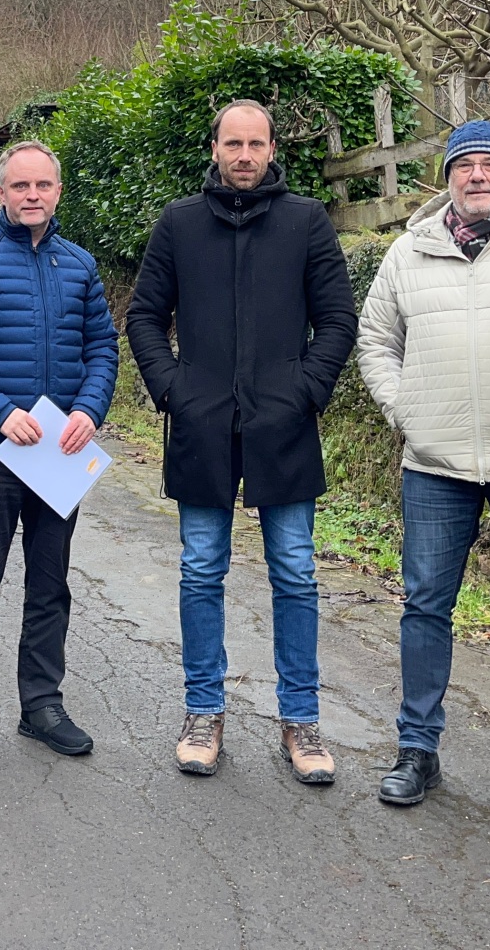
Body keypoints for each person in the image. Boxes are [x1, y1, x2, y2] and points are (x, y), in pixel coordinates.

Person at [126, 100, 357, 783]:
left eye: (257, 143)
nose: (246, 155)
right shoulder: (179, 223)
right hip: (201, 426)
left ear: (272, 147)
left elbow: (338, 319)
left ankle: (302, 722)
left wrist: (304, 390)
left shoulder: (306, 221)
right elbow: (144, 315)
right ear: (216, 147)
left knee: (295, 572)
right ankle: (204, 712)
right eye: (235, 143)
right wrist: (174, 388)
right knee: (201, 570)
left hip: (283, 428)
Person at [355, 120, 490, 824]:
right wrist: (404, 411)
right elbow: (375, 341)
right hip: (435, 462)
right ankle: (416, 750)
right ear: (445, 177)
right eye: (464, 165)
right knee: (425, 607)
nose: (477, 175)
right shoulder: (407, 252)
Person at [0, 140, 119, 772]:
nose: (32, 195)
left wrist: (89, 410)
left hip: (59, 453)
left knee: (51, 583)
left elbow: (101, 349)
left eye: (43, 185)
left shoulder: (78, 265)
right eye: (20, 186)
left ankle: (41, 707)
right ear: (2, 193)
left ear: (58, 191)